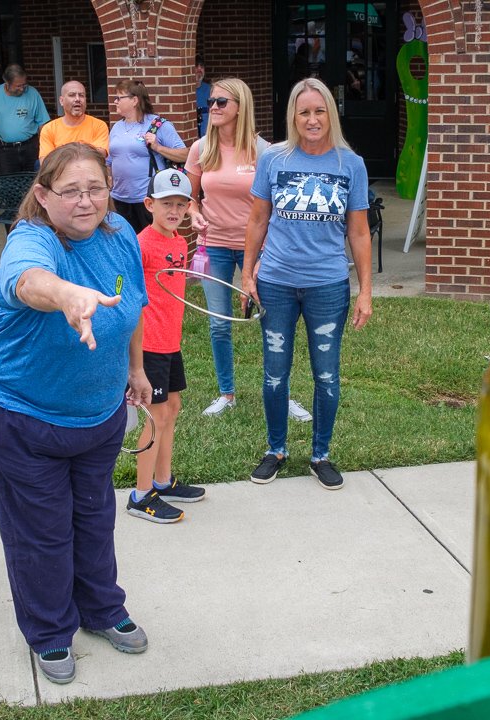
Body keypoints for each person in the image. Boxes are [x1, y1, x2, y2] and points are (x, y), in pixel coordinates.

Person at [0, 142, 150, 685]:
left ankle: (101, 609)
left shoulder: (120, 239)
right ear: (44, 196)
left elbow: (133, 305)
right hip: (22, 415)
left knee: (94, 517)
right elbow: (27, 281)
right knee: (41, 531)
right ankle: (49, 632)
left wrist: (136, 372)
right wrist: (70, 295)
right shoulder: (30, 240)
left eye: (95, 188)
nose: (84, 200)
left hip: (98, 416)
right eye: (70, 191)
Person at [241, 78, 373, 491]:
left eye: (319, 111)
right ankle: (275, 450)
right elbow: (258, 219)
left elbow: (360, 232)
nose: (312, 120)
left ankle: (321, 455)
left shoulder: (350, 164)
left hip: (328, 285)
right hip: (277, 282)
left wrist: (366, 290)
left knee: (327, 375)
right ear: (293, 117)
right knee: (275, 373)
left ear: (330, 114)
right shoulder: (274, 159)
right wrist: (248, 273)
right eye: (304, 112)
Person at [185, 78, 312, 423]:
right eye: (210, 102)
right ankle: (226, 393)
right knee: (219, 324)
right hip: (214, 247)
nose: (212, 108)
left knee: (273, 323)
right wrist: (194, 215)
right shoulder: (200, 149)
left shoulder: (264, 152)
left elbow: (273, 207)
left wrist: (256, 264)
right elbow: (190, 198)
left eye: (221, 102)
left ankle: (280, 393)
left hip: (259, 249)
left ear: (240, 106)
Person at [127, 168, 207, 523]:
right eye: (165, 204)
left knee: (171, 406)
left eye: (180, 204)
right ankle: (141, 494)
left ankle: (163, 480)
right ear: (149, 204)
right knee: (155, 414)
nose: (173, 211)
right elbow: (130, 298)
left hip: (170, 342)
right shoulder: (141, 244)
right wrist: (135, 360)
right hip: (149, 345)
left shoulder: (178, 241)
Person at [108, 79, 189, 233]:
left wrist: (158, 147)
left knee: (150, 245)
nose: (115, 102)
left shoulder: (157, 125)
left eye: (119, 98)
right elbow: (110, 160)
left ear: (134, 100)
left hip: (147, 200)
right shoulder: (117, 127)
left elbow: (185, 154)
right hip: (119, 199)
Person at [0, 64, 50, 174]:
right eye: (18, 86)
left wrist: (45, 150)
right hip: (5, 150)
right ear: (7, 83)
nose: (22, 89)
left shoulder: (33, 93)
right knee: (10, 186)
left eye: (24, 85)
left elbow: (43, 124)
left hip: (31, 147)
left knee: (33, 184)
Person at [39, 80, 110, 160]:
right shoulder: (49, 129)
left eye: (81, 95)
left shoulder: (99, 125)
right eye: (72, 95)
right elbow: (45, 162)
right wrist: (87, 150)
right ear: (61, 101)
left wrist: (61, 154)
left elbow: (99, 156)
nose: (77, 99)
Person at [195, 57, 212, 136]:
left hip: (208, 135)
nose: (199, 69)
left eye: (202, 66)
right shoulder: (185, 91)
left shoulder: (210, 89)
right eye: (196, 66)